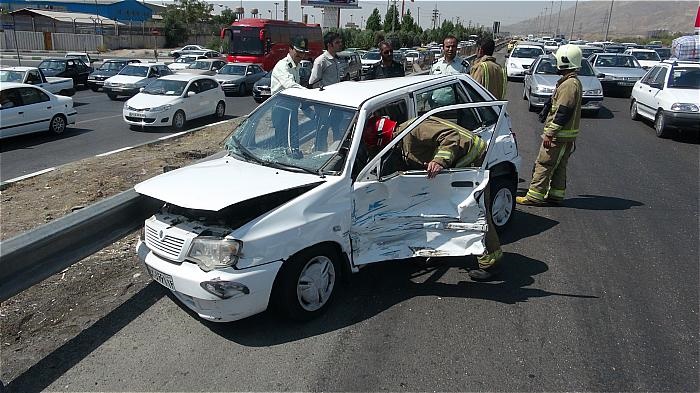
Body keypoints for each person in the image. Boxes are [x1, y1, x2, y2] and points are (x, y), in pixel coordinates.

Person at [362, 115, 503, 280]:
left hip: (472, 163)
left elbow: (451, 137)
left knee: (476, 213)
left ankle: (491, 262)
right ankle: (440, 252)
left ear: (382, 138)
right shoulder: (400, 142)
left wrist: (439, 160)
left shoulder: (414, 130)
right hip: (450, 174)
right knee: (440, 213)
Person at [516, 44, 583, 206]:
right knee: (559, 166)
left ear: (564, 60)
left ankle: (534, 196)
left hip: (558, 136)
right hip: (564, 136)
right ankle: (555, 195)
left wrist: (550, 133)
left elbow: (562, 112)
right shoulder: (571, 82)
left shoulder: (569, 85)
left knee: (544, 163)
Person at [270, 36, 310, 157]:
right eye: (298, 52)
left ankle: (294, 157)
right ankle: (281, 162)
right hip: (281, 108)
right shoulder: (283, 66)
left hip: (291, 107)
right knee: (282, 141)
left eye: (303, 53)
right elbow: (290, 85)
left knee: (293, 137)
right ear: (290, 49)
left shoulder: (296, 66)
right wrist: (309, 93)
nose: (301, 55)